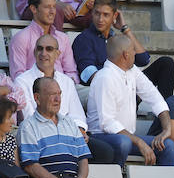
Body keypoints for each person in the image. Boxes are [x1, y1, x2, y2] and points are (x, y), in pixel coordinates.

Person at [18, 77, 120, 178]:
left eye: (59, 94)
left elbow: (83, 159)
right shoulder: (28, 126)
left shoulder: (70, 123)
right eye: (52, 94)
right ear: (37, 98)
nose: (57, 99)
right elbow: (31, 166)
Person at [15, 34, 114, 166]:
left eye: (49, 49)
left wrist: (80, 130)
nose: (43, 53)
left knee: (105, 152)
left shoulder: (66, 81)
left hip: (69, 136)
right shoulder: (22, 81)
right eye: (40, 49)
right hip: (41, 138)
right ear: (34, 52)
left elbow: (77, 113)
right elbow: (30, 117)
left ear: (58, 54)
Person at [86, 35, 174, 168]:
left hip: (127, 137)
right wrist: (139, 142)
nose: (135, 53)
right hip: (101, 137)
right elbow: (107, 123)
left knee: (168, 145)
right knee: (124, 142)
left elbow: (153, 96)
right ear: (126, 55)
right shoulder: (105, 77)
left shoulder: (132, 71)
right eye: (133, 50)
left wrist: (167, 129)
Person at [73, 0, 174, 100]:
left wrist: (125, 29)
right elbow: (89, 74)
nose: (100, 19)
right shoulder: (84, 39)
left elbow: (143, 60)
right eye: (97, 13)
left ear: (114, 16)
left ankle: (167, 113)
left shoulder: (117, 39)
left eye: (106, 15)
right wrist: (120, 86)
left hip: (128, 86)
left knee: (166, 63)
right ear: (92, 13)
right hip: (107, 92)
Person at [8, 0, 78, 82]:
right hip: (35, 91)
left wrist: (67, 86)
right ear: (34, 9)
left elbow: (71, 72)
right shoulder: (20, 38)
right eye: (47, 7)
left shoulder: (63, 38)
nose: (52, 12)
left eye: (54, 7)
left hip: (63, 88)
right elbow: (18, 76)